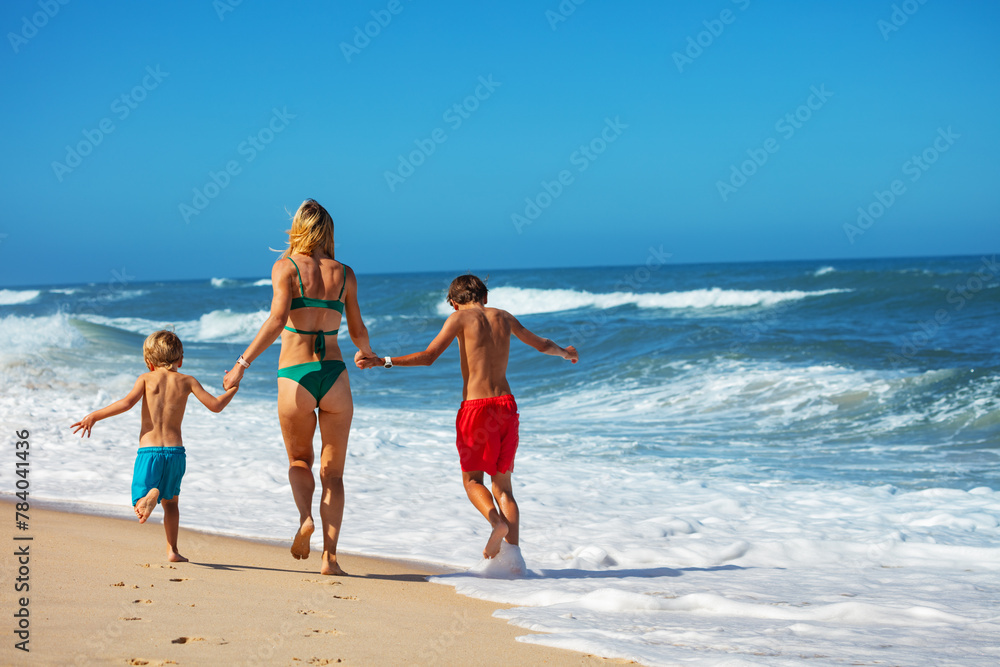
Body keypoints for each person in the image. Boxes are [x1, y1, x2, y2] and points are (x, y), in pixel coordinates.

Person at [357, 274, 577, 559]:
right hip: (506, 405)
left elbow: (429, 356)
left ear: (453, 303)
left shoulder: (458, 319)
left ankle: (496, 523)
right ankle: (514, 561)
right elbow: (543, 345)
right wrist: (566, 353)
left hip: (476, 408)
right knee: (504, 488)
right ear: (485, 297)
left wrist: (382, 361)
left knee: (473, 481)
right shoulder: (505, 317)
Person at [223, 199, 376, 576]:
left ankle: (305, 517)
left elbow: (277, 320)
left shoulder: (286, 266)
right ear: (328, 230)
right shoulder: (346, 273)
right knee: (334, 474)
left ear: (299, 227)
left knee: (298, 461)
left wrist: (240, 365)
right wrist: (367, 353)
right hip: (336, 375)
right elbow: (357, 329)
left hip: (296, 376)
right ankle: (331, 559)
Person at [71, 330, 238, 562]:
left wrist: (94, 416)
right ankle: (173, 551)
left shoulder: (145, 379)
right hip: (176, 453)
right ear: (180, 360)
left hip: (149, 451)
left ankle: (150, 494)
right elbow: (216, 406)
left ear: (149, 362)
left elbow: (126, 403)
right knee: (172, 504)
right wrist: (232, 389)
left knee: (140, 499)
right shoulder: (188, 381)